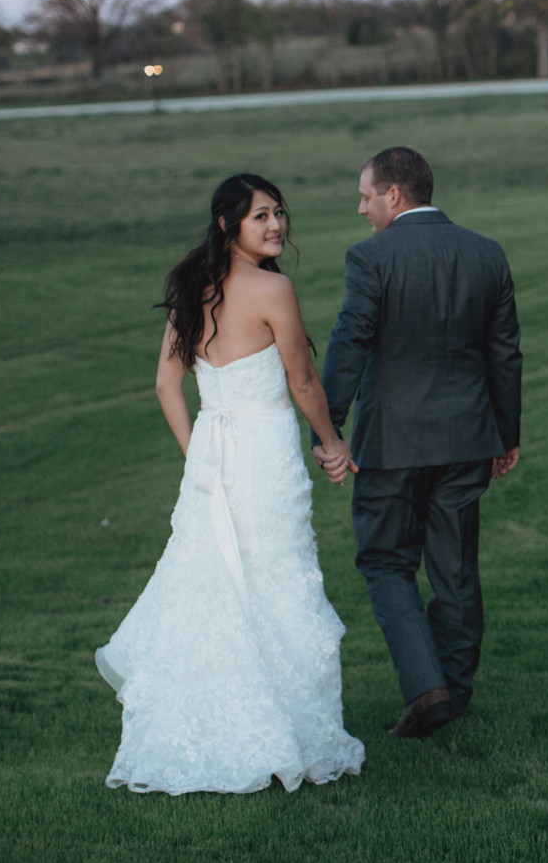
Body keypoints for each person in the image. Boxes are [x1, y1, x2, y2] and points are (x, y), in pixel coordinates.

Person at [95, 174, 366, 795]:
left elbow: (167, 385)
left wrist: (199, 459)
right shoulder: (274, 288)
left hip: (213, 457)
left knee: (215, 582)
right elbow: (302, 382)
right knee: (277, 583)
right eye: (260, 217)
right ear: (228, 225)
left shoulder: (193, 288)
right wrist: (331, 443)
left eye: (278, 214)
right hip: (265, 456)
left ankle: (227, 726)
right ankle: (286, 733)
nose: (275, 226)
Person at [314, 147, 522, 739]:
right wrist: (505, 435)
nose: (361, 209)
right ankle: (450, 691)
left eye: (366, 196)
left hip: (391, 443)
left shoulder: (370, 258)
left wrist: (327, 430)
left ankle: (427, 687)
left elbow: (349, 341)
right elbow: (504, 352)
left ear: (394, 196)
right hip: (467, 439)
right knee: (456, 569)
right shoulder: (486, 253)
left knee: (385, 561)